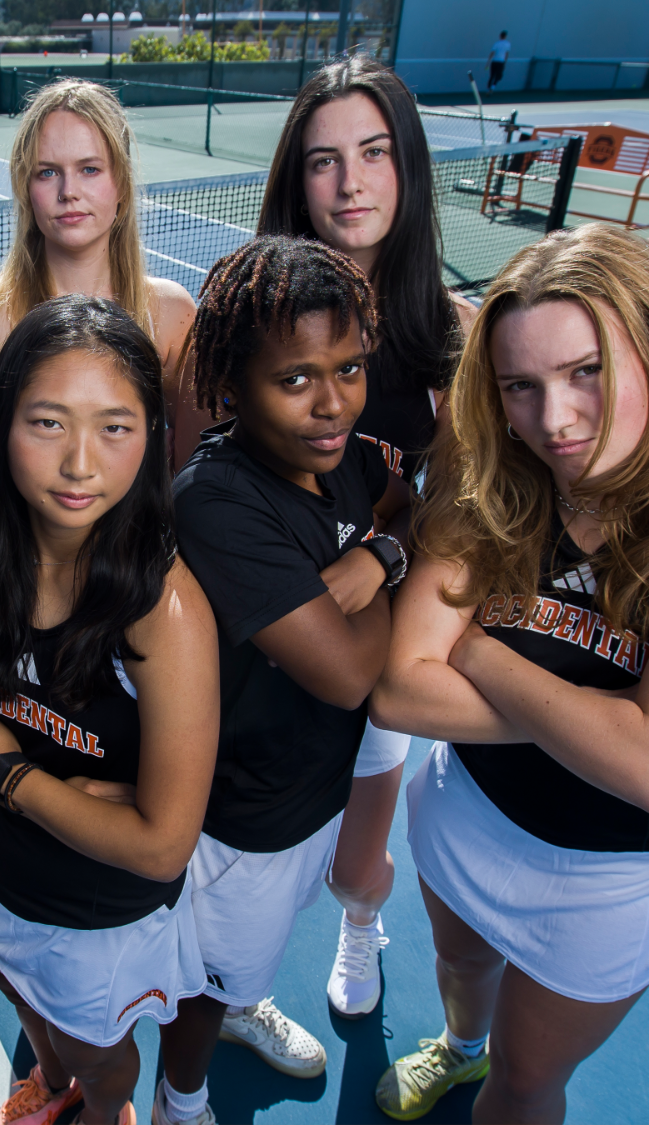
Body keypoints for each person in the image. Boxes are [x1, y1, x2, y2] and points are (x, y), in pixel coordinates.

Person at [371, 224, 649, 1121]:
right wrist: (602, 718)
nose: (554, 420)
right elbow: (401, 688)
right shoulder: (492, 484)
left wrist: (477, 651)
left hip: (607, 880)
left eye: (586, 371)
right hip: (466, 814)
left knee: (527, 1080)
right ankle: (459, 1049)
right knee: (459, 969)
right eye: (521, 386)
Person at [0, 296, 218, 1125]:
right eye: (48, 422)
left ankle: (103, 1106)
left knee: (99, 1049)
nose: (80, 462)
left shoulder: (163, 610)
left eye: (114, 427)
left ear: (153, 436)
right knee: (25, 997)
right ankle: (50, 1084)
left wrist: (2, 768)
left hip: (93, 913)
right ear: (0, 424)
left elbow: (160, 846)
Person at [254, 56, 480, 1024]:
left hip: (378, 638)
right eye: (323, 160)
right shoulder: (252, 318)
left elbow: (457, 512)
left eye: (374, 152)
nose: (349, 182)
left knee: (352, 864)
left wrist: (378, 555)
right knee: (251, 857)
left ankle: (361, 922)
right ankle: (234, 990)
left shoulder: (455, 338)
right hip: (267, 633)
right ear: (297, 180)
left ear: (407, 166)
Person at [157, 237, 401, 1125]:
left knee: (244, 962)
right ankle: (181, 1099)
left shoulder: (344, 458)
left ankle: (241, 999)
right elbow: (347, 673)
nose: (331, 403)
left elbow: (403, 498)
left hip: (313, 791)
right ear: (232, 386)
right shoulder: (215, 498)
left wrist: (377, 555)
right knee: (205, 985)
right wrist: (385, 570)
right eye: (295, 379)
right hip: (244, 819)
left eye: (349, 369)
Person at [0, 79, 197, 504]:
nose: (69, 192)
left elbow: (193, 468)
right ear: (26, 189)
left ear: (121, 184)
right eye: (47, 172)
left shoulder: (171, 311)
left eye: (90, 169)